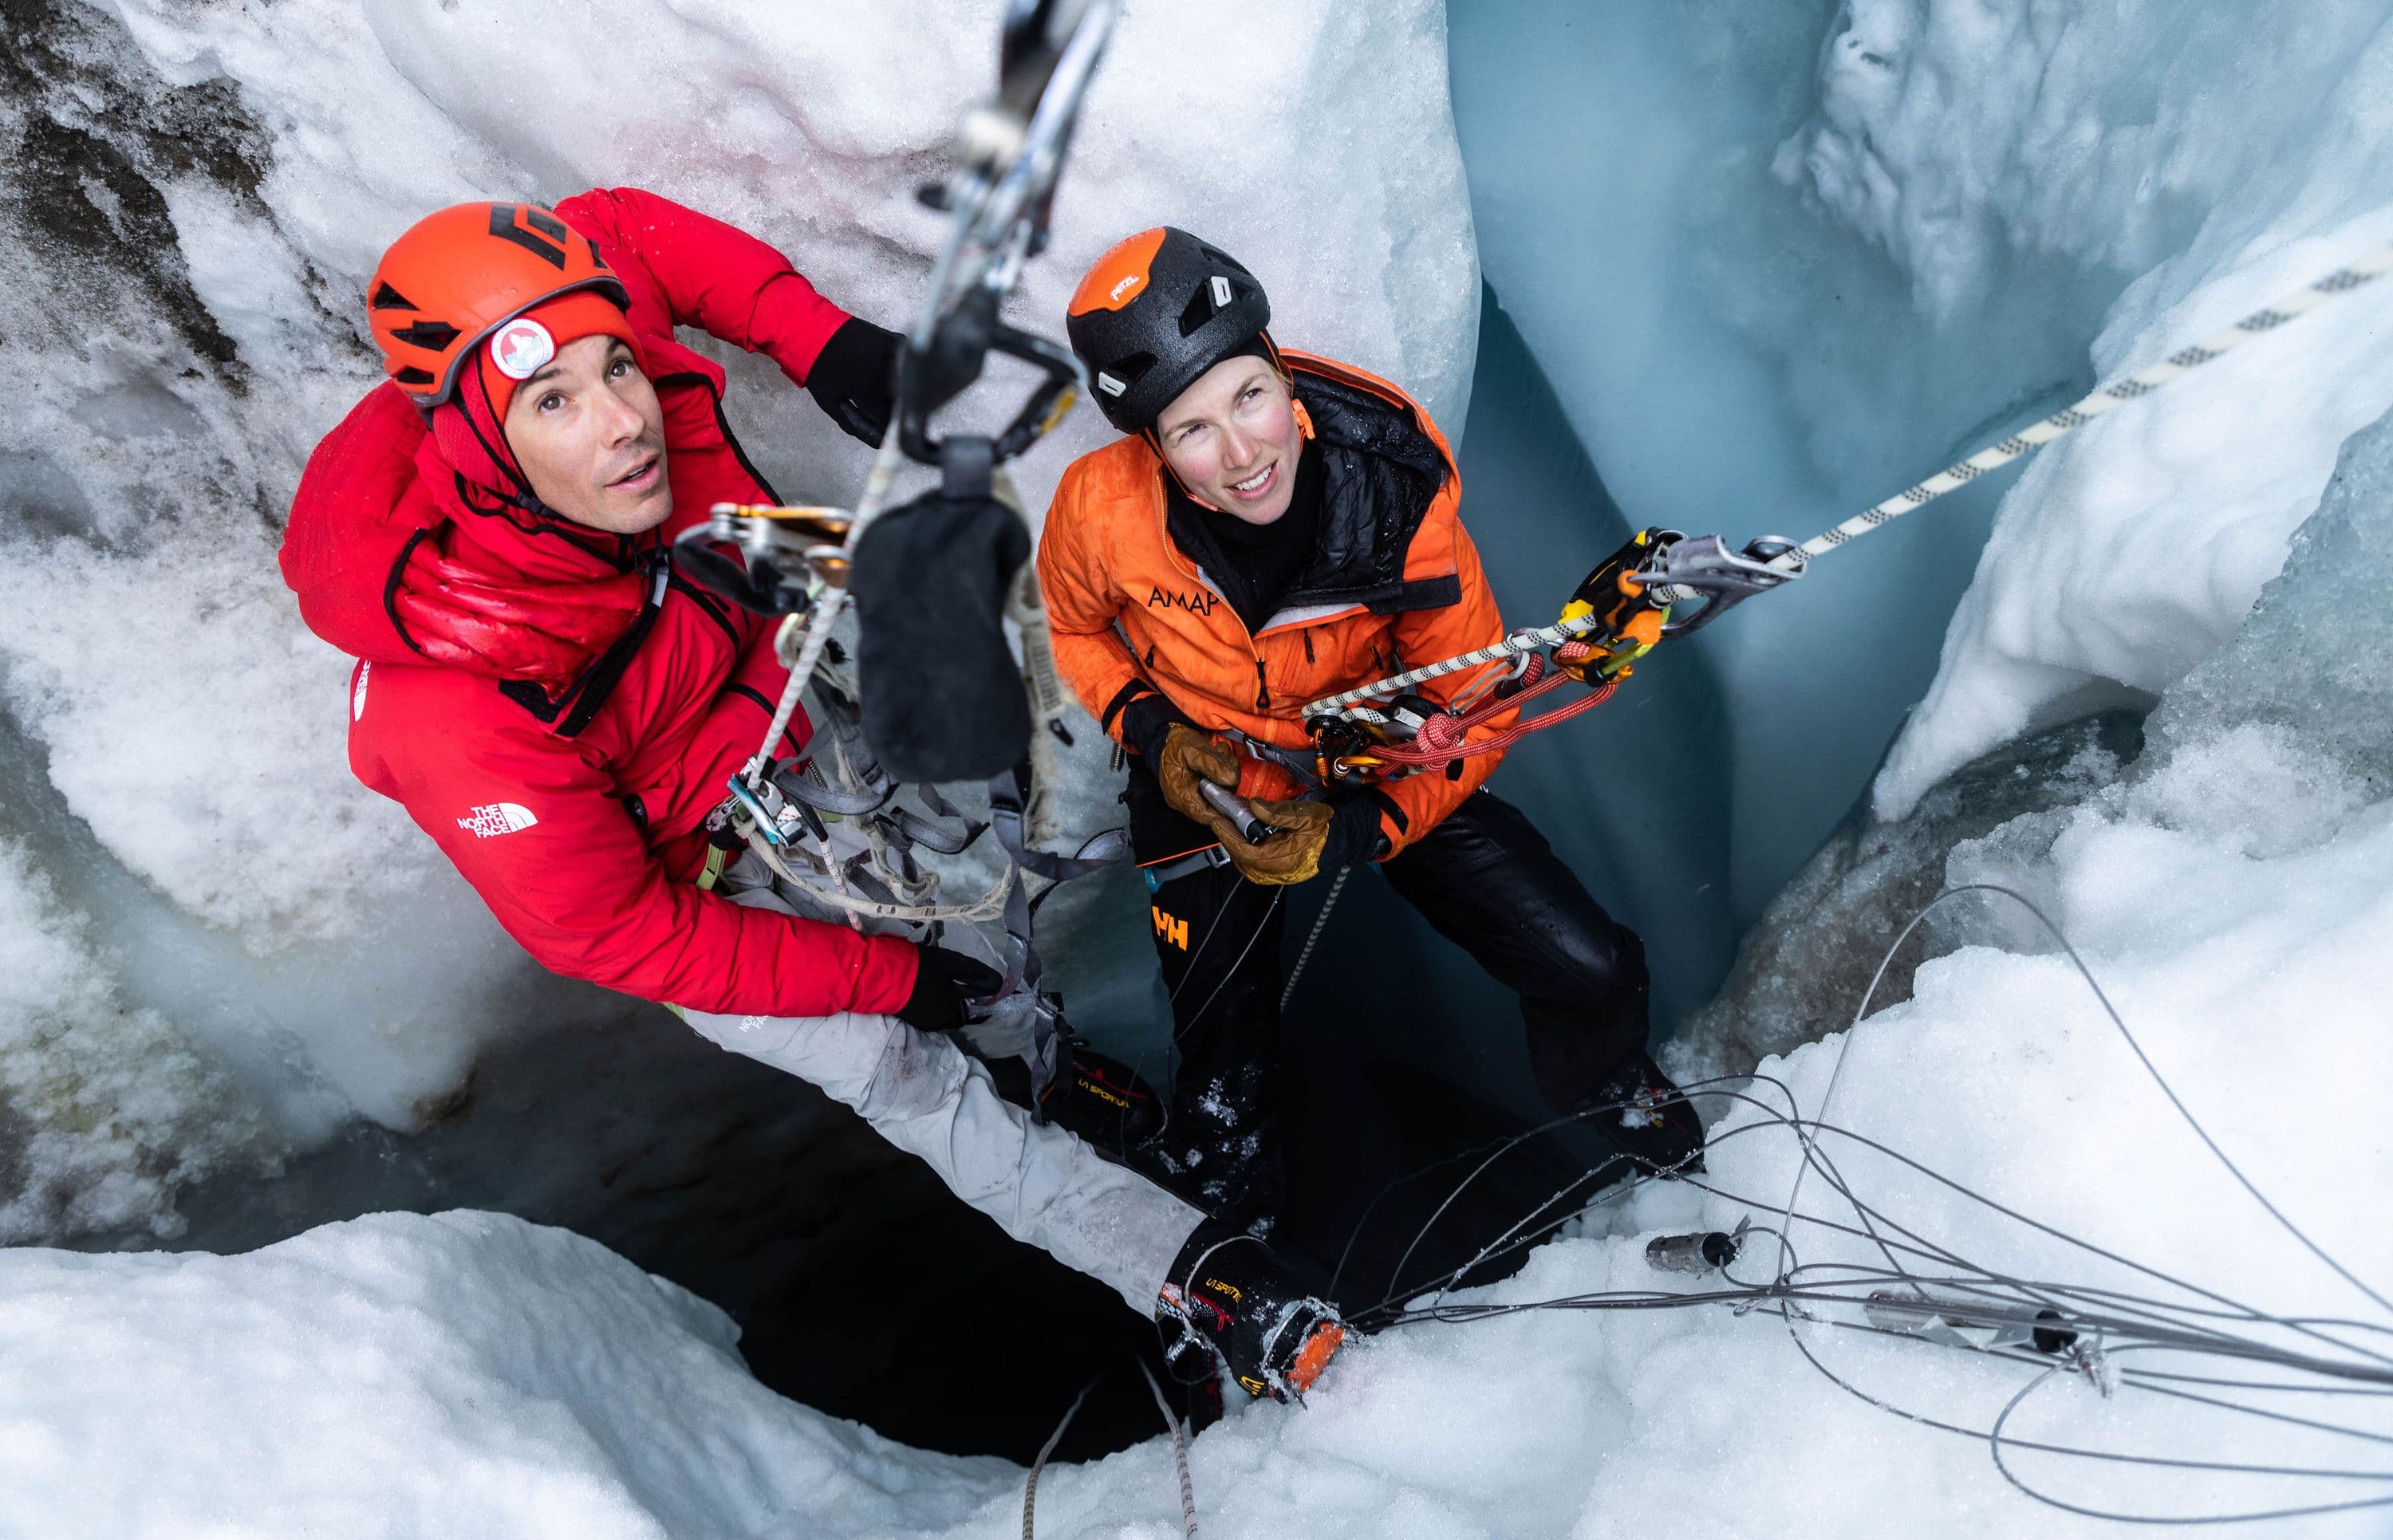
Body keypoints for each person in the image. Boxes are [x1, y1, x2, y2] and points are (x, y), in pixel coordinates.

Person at [277, 192, 1342, 1401]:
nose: (628, 420)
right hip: (697, 882)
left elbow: (628, 227)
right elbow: (627, 935)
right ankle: (1199, 1275)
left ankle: (1052, 1053)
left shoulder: (528, 304)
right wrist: (889, 980)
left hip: (759, 636)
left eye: (619, 366)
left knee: (1028, 780)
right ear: (480, 442)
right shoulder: (458, 717)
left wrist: (814, 336)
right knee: (910, 1078)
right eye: (557, 403)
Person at [1038, 226, 1705, 1236]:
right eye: (1192, 431)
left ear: (1281, 370)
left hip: (1377, 750)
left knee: (1587, 965)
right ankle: (1234, 1211)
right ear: (1153, 447)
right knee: (1221, 1048)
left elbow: (1473, 706)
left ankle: (1607, 1081)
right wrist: (1149, 730)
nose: (1241, 452)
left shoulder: (1393, 487)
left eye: (1248, 397)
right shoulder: (1100, 511)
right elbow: (1076, 627)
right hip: (1201, 767)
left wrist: (1357, 831)